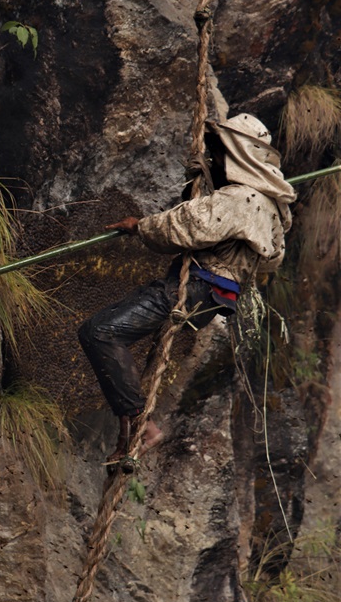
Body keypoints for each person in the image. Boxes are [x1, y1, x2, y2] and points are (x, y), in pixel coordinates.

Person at [78, 113, 296, 471]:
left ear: (236, 156)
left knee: (100, 331)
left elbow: (185, 227)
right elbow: (270, 259)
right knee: (111, 336)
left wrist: (139, 226)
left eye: (218, 153)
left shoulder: (240, 198)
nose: (214, 159)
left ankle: (143, 427)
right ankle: (131, 434)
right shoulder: (269, 208)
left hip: (195, 287)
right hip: (212, 298)